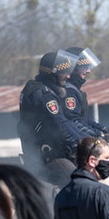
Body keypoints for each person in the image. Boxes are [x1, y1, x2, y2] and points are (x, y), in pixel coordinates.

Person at [17, 49, 93, 187]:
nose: (68, 76)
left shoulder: (39, 89)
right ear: (52, 74)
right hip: (47, 158)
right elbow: (61, 126)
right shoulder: (44, 95)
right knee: (82, 184)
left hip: (48, 153)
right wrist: (86, 144)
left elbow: (66, 122)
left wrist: (90, 140)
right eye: (64, 72)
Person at [63, 46, 109, 140]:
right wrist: (98, 135)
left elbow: (83, 119)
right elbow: (74, 122)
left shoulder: (74, 90)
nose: (88, 71)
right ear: (73, 68)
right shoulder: (68, 92)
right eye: (84, 67)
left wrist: (103, 128)